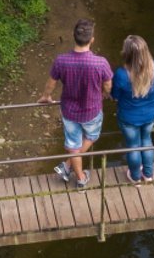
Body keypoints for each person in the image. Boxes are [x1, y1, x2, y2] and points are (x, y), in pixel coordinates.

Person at [38, 18, 113, 189]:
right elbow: (108, 85)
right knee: (92, 137)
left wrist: (46, 96)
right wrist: (105, 93)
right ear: (92, 39)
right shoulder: (100, 63)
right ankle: (76, 175)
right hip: (92, 110)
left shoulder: (61, 60)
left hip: (69, 112)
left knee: (73, 145)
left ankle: (72, 171)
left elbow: (51, 83)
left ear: (74, 37)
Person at [111, 34, 154, 184]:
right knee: (147, 141)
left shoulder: (122, 75)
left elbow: (115, 95)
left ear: (126, 54)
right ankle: (148, 174)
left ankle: (135, 177)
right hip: (151, 114)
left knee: (133, 145)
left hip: (129, 118)